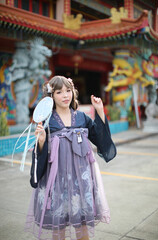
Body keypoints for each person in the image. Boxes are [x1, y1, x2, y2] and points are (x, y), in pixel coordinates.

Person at [25, 75, 117, 240]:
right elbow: (41, 154)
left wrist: (100, 110)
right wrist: (41, 141)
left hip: (80, 182)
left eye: (68, 91)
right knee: (58, 228)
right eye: (59, 92)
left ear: (73, 92)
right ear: (51, 96)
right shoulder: (47, 121)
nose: (65, 95)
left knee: (82, 227)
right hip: (57, 182)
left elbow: (101, 140)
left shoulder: (81, 118)